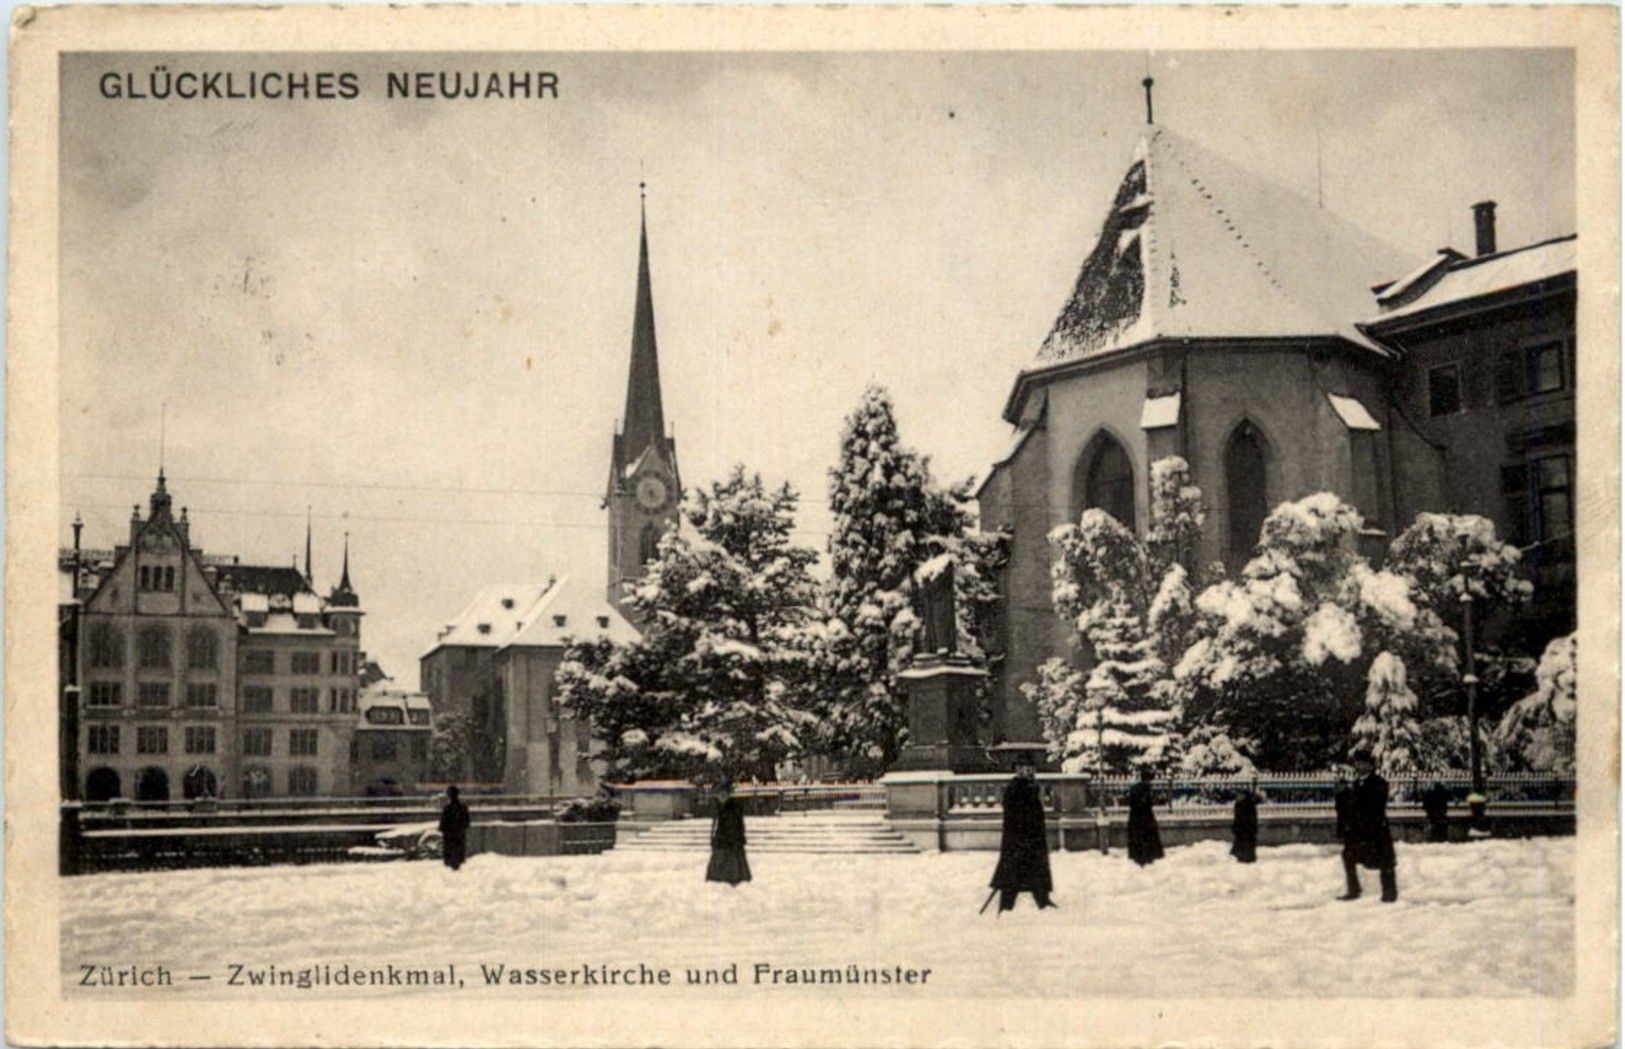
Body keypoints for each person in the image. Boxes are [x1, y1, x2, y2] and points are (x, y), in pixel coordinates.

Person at [989, 762, 1054, 912]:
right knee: (1013, 872)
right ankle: (1006, 906)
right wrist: (1022, 833)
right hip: (1019, 838)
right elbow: (1013, 815)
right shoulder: (1014, 788)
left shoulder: (1031, 787)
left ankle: (1043, 900)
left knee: (1036, 870)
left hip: (1033, 838)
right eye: (1027, 769)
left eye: (1032, 769)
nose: (1031, 772)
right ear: (1019, 771)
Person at [1339, 751, 1398, 902]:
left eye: (1363, 763)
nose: (1359, 766)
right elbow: (1348, 808)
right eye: (1357, 763)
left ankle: (1389, 893)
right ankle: (1353, 889)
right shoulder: (1355, 784)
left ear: (1371, 766)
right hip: (1359, 832)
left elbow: (1375, 805)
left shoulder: (1379, 783)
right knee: (1348, 855)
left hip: (1376, 830)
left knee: (1385, 861)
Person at [705, 781, 751, 886]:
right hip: (721, 837)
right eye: (719, 794)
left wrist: (738, 837)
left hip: (733, 837)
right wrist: (713, 836)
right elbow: (715, 823)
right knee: (719, 857)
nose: (721, 797)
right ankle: (717, 876)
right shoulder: (718, 807)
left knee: (734, 859)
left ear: (728, 794)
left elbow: (739, 824)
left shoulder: (735, 807)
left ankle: (735, 877)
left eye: (724, 794)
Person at [1125, 766, 1165, 867]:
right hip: (1145, 816)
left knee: (1137, 838)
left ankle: (1137, 857)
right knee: (1147, 837)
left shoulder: (1134, 788)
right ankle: (1148, 858)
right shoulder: (1147, 788)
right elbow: (1149, 801)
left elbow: (1130, 801)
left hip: (1135, 816)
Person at [439, 785, 471, 871]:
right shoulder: (463, 808)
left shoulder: (447, 809)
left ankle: (452, 862)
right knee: (457, 850)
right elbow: (467, 822)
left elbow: (442, 824)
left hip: (449, 836)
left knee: (451, 850)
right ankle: (457, 862)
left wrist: (447, 830)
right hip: (459, 835)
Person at [1230, 787, 1259, 864]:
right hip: (1241, 830)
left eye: (1239, 795)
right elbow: (1237, 818)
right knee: (1240, 846)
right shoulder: (1238, 805)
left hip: (1247, 830)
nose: (1237, 797)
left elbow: (1252, 819)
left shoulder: (1249, 805)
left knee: (1246, 846)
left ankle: (1246, 859)